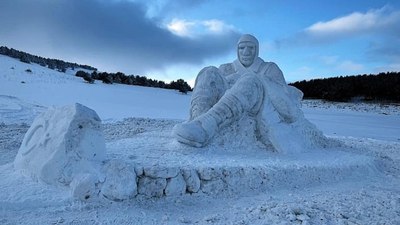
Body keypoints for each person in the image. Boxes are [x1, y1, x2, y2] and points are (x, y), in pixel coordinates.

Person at [173, 34, 328, 152]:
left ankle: (206, 126)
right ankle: (196, 121)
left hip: (255, 107)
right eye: (242, 48)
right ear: (237, 50)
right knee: (209, 71)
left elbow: (286, 106)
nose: (246, 52)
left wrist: (258, 80)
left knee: (251, 79)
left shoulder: (269, 68)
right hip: (225, 104)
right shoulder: (226, 68)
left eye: (251, 48)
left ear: (257, 50)